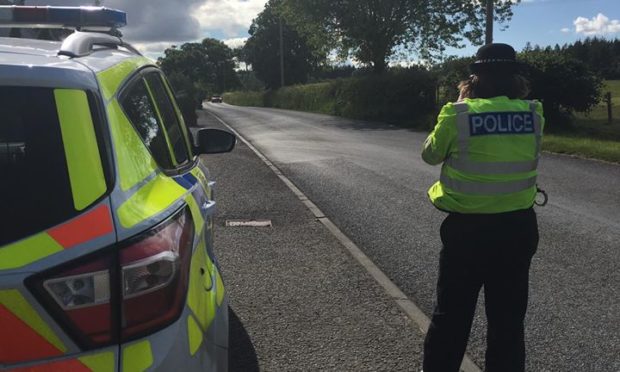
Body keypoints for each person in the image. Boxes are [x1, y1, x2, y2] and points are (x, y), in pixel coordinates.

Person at [421, 43, 544, 372]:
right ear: (516, 78)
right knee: (507, 324)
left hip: (468, 233)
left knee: (451, 319)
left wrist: (458, 105)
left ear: (475, 78)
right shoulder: (533, 114)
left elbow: (430, 154)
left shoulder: (458, 114)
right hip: (518, 230)